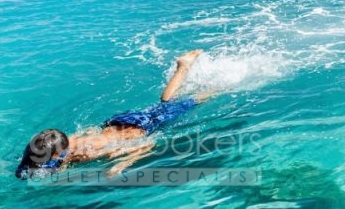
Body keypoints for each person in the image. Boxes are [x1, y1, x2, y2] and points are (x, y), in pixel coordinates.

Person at [15, 49, 206, 179]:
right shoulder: (65, 141)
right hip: (116, 122)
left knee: (190, 101)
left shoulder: (88, 152)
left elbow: (147, 144)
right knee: (165, 103)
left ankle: (199, 79)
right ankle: (183, 67)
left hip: (140, 126)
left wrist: (120, 164)